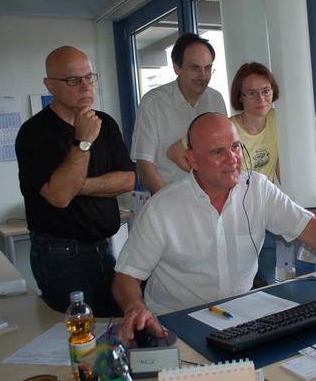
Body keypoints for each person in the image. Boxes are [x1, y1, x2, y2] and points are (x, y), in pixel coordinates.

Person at [113, 112, 316, 341]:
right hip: (174, 326)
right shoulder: (162, 208)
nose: (232, 159)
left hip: (240, 321)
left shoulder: (258, 189)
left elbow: (311, 228)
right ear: (192, 160)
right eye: (218, 152)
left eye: (236, 147)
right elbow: (126, 277)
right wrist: (134, 307)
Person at [15, 46, 136, 317]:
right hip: (60, 255)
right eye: (73, 80)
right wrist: (83, 141)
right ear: (50, 86)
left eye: (89, 77)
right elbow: (59, 197)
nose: (84, 86)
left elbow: (128, 180)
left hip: (104, 247)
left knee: (112, 324)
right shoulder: (34, 133)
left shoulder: (105, 123)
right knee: (72, 338)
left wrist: (76, 186)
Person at [166, 62, 281, 285]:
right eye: (251, 93)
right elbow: (175, 153)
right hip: (230, 215)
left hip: (261, 214)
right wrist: (213, 175)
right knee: (232, 285)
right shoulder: (225, 128)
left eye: (266, 91)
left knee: (267, 283)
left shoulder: (279, 120)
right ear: (240, 97)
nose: (261, 99)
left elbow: (280, 164)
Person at [130, 33, 228, 194]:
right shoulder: (153, 103)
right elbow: (144, 163)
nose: (203, 76)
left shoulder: (216, 99)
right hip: (170, 196)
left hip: (212, 198)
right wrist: (165, 204)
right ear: (177, 68)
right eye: (195, 69)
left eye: (208, 68)